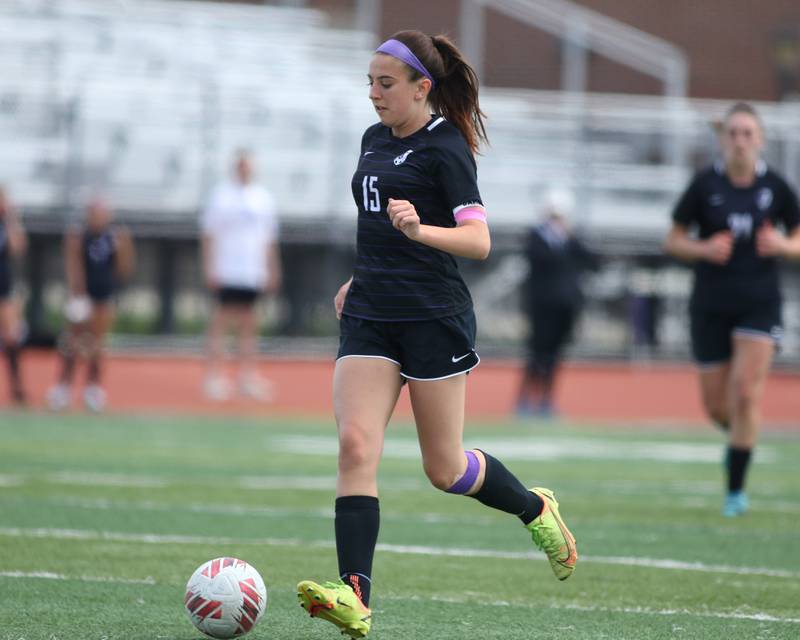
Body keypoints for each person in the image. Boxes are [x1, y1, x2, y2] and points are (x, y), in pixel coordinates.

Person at [295, 30, 577, 639]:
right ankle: (354, 597)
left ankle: (535, 507)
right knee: (354, 447)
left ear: (423, 88)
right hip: (371, 312)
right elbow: (376, 229)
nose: (374, 94)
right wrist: (358, 277)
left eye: (386, 84)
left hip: (431, 316)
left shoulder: (447, 147)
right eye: (369, 83)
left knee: (445, 469)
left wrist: (422, 231)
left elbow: (479, 242)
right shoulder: (373, 139)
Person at [664, 102, 800, 517]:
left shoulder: (776, 187)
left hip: (759, 302)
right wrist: (702, 248)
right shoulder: (704, 185)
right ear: (723, 139)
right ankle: (740, 443)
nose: (740, 141)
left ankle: (735, 491)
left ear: (759, 140)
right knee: (719, 407)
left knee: (745, 393)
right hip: (710, 303)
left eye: (748, 133)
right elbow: (673, 239)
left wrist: (782, 246)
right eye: (733, 133)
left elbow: (797, 238)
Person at [200, 150, 281, 401]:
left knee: (249, 323)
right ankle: (215, 376)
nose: (245, 170)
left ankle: (248, 377)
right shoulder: (221, 196)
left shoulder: (262, 198)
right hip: (227, 268)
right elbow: (209, 234)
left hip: (252, 269)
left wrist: (272, 268)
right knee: (221, 321)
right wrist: (209, 266)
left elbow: (269, 239)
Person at [516, 188, 598, 418]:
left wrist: (570, 239)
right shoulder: (536, 237)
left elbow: (592, 261)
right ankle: (523, 400)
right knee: (535, 354)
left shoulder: (570, 240)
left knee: (554, 356)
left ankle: (545, 401)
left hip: (566, 306)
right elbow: (541, 260)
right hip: (541, 307)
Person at [47, 199, 135, 412]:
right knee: (73, 341)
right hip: (82, 296)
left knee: (97, 343)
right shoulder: (80, 236)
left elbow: (124, 269)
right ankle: (64, 387)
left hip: (103, 296)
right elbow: (74, 265)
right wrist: (78, 293)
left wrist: (125, 246)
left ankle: (92, 389)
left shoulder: (115, 237)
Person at [0, 187, 28, 405]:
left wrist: (11, 218)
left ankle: (16, 385)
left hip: (4, 287)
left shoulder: (5, 224)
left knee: (11, 335)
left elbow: (18, 247)